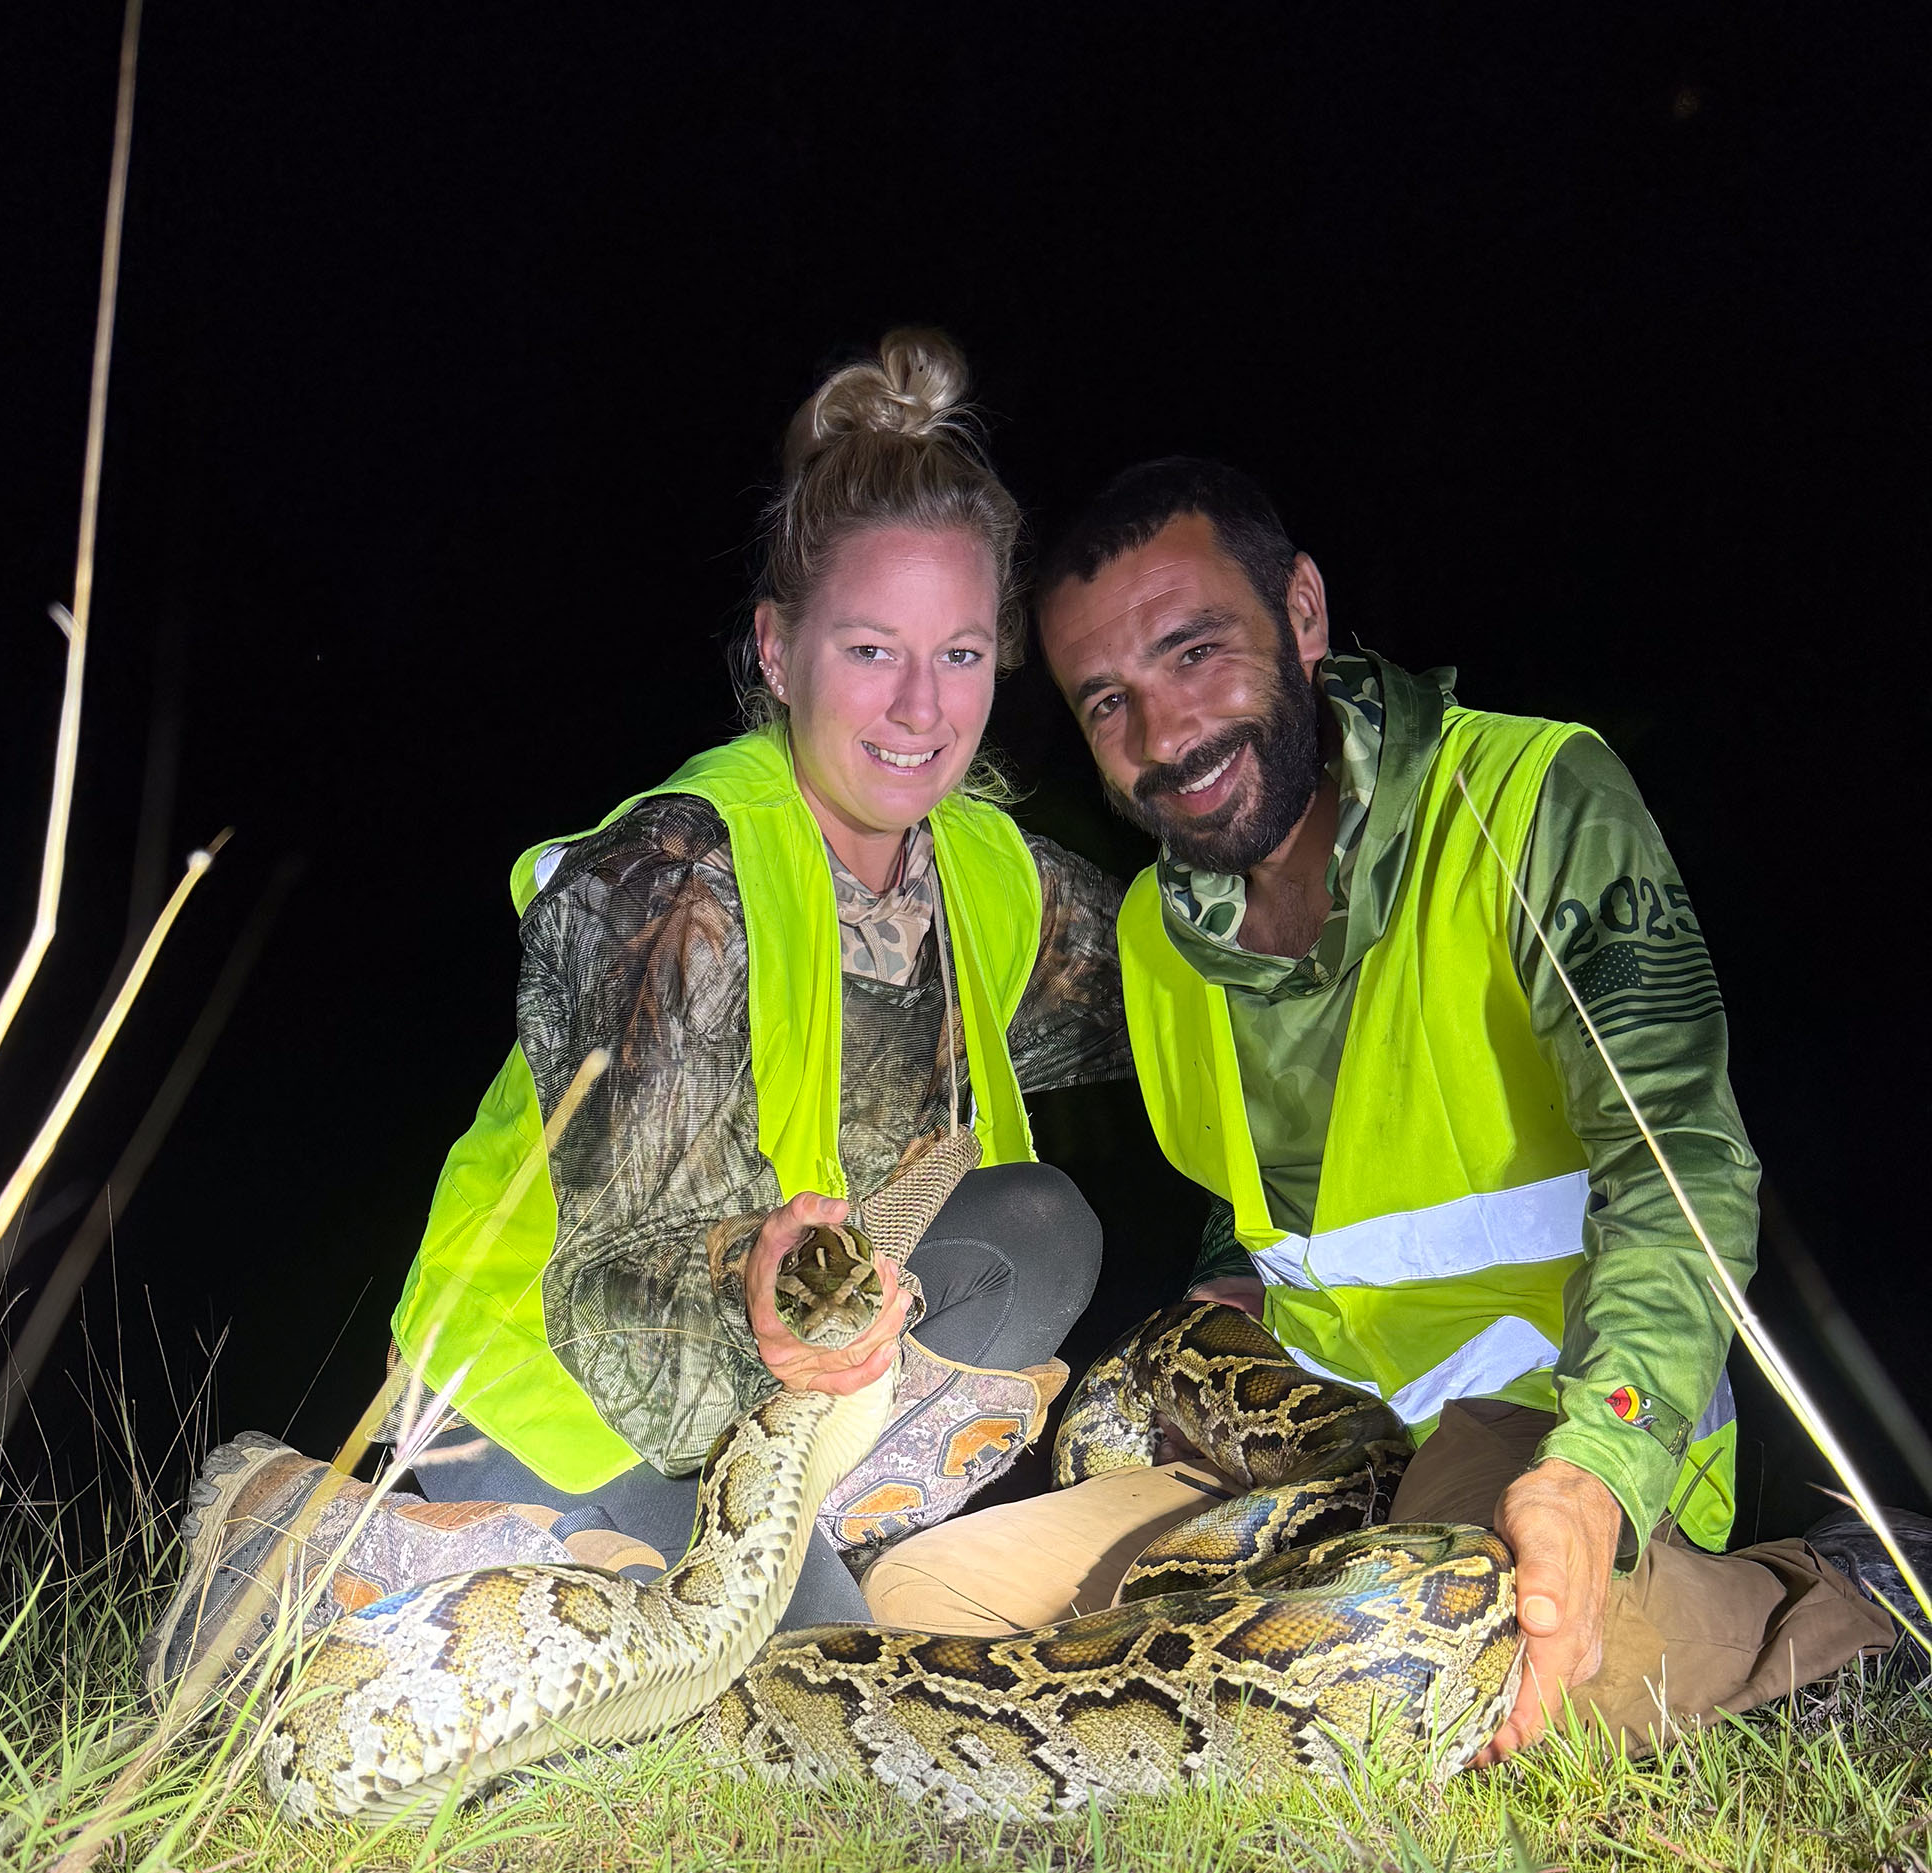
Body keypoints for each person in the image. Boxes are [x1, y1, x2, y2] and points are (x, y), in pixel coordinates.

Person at [862, 458, 1904, 1756]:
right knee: (921, 1607)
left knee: (1467, 1651)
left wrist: (1600, 1470)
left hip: (1546, 1421)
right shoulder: (1156, 937)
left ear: (1302, 613)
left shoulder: (1531, 799)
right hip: (1311, 1445)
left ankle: (1839, 1596)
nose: (1164, 735)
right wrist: (1221, 1287)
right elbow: (1259, 1200)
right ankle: (1291, 1646)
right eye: (1108, 700)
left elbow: (1678, 1162)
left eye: (1196, 653)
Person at [144, 333, 1129, 1703]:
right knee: (807, 1690)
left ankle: (790, 1523)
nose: (921, 708)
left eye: (959, 653)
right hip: (567, 1373)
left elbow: (1172, 995)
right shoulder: (669, 886)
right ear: (778, 651)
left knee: (1039, 1227)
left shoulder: (983, 868)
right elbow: (611, 1299)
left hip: (780, 1358)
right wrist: (757, 1295)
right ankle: (329, 1551)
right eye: (870, 650)